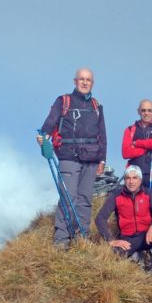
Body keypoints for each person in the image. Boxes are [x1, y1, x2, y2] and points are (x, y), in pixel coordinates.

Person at [37, 67, 107, 248]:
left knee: (85, 199)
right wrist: (43, 135)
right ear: (75, 81)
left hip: (91, 158)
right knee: (68, 196)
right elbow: (51, 121)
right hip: (69, 156)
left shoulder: (97, 106)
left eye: (88, 80)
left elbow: (102, 135)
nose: (84, 82)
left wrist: (102, 160)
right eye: (81, 79)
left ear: (92, 83)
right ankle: (62, 238)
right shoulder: (64, 101)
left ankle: (81, 236)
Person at [95, 165, 152, 274]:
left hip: (146, 237)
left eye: (135, 178)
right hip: (127, 239)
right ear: (124, 180)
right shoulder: (116, 195)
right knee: (115, 256)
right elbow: (100, 218)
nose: (131, 181)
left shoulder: (149, 194)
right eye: (128, 178)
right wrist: (110, 240)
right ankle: (136, 256)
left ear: (140, 180)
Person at [121, 99, 152, 200]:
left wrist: (136, 143)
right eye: (143, 110)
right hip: (134, 175)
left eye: (149, 110)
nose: (146, 113)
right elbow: (125, 152)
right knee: (134, 204)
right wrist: (145, 150)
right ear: (138, 111)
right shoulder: (129, 130)